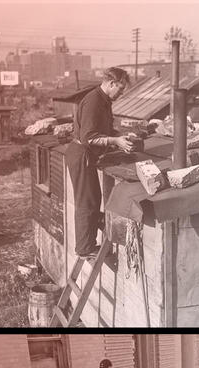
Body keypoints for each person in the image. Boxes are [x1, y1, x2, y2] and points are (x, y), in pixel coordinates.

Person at [68, 68, 134, 260]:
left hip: (86, 155)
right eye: (120, 89)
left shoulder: (104, 101)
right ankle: (84, 248)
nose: (120, 94)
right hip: (82, 154)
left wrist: (120, 136)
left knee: (93, 198)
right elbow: (89, 137)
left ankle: (91, 237)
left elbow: (103, 129)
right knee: (86, 202)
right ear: (111, 83)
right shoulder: (94, 101)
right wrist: (116, 142)